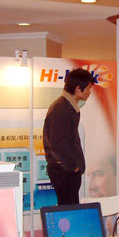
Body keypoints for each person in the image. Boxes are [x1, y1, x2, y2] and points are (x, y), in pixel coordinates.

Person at [42, 68, 94, 205]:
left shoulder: (67, 106)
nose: (90, 92)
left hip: (65, 169)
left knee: (69, 208)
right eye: (88, 88)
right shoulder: (61, 108)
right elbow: (58, 144)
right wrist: (72, 166)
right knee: (68, 209)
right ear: (77, 89)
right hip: (64, 171)